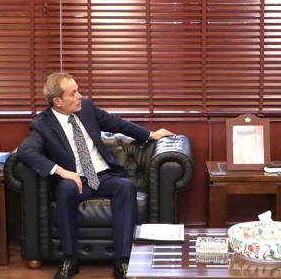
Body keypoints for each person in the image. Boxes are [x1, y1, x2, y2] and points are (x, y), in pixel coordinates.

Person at [16, 72, 174, 279]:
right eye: (73, 93)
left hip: (103, 176)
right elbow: (25, 151)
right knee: (64, 189)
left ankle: (122, 261)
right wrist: (62, 171)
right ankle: (70, 260)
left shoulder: (87, 108)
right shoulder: (43, 124)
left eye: (78, 91)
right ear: (58, 101)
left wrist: (150, 135)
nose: (79, 96)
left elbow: (117, 124)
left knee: (126, 186)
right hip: (76, 181)